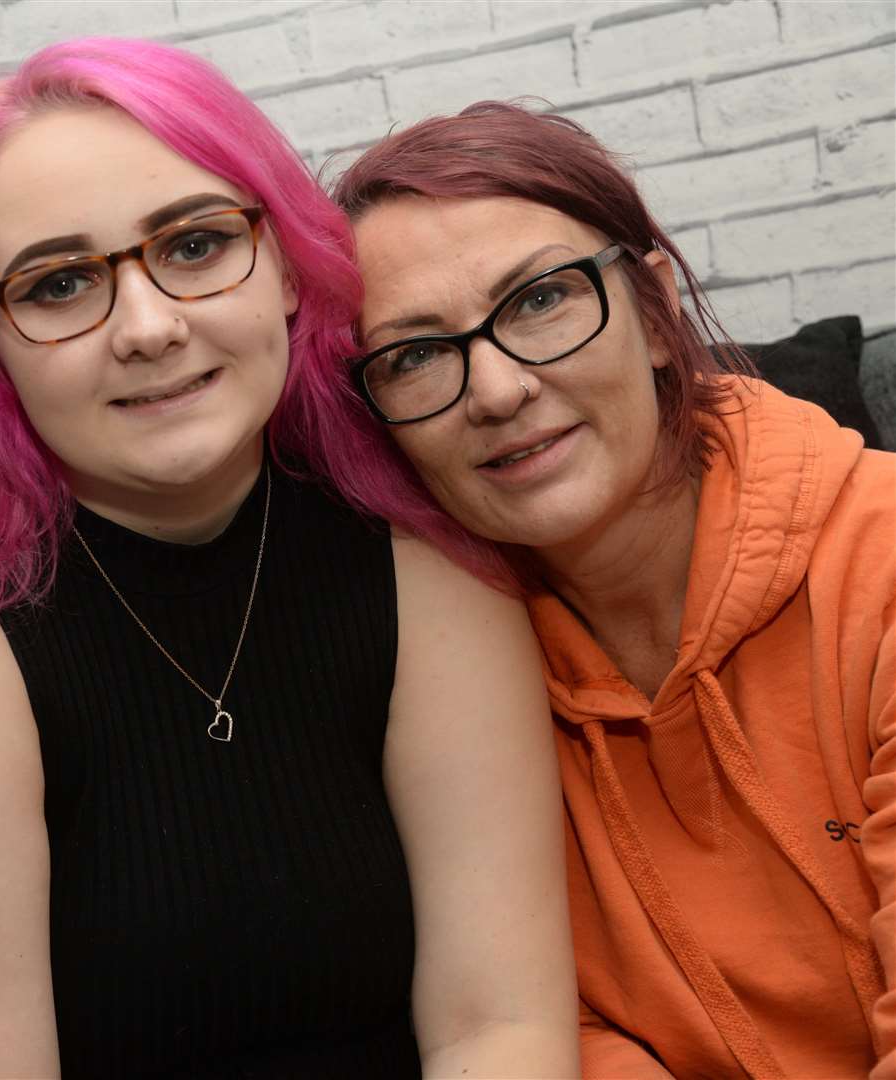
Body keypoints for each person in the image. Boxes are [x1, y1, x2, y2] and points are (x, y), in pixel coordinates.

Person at [0, 39, 578, 1078]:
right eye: (58, 284)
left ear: (284, 266)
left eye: (192, 246)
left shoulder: (425, 566)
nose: (146, 328)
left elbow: (497, 1026)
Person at [334, 101, 895, 1079]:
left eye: (539, 299)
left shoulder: (878, 567)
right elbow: (546, 1031)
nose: (498, 389)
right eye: (416, 354)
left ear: (652, 312)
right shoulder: (447, 701)